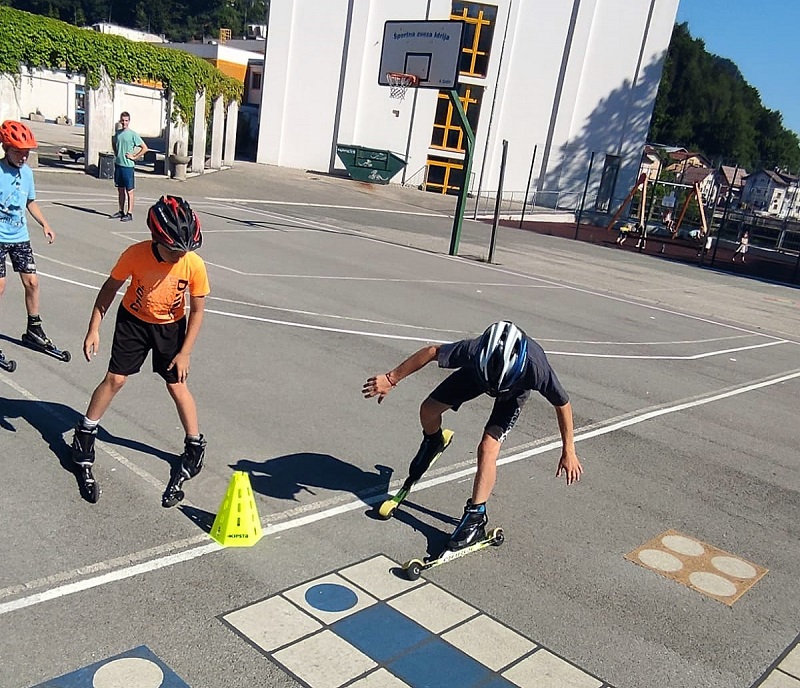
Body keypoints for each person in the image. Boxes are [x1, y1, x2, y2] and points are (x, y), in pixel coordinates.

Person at [363, 321, 582, 551]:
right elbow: (431, 352)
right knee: (428, 409)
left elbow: (563, 404)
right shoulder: (472, 351)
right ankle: (434, 440)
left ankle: (476, 517)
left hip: (514, 391)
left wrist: (568, 450)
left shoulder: (536, 369)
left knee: (488, 447)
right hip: (476, 376)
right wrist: (391, 378)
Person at [71, 195, 210, 505]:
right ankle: (85, 433)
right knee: (116, 379)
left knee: (177, 385)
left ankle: (194, 445)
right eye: (174, 250)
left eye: (184, 251)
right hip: (133, 321)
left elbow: (198, 310)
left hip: (170, 327)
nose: (180, 255)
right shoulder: (135, 255)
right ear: (156, 240)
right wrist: (94, 327)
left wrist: (185, 352)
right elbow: (109, 289)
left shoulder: (193, 264)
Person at [0, 120, 58, 356]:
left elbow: (30, 202)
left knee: (32, 282)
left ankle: (34, 328)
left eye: (27, 153)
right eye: (19, 152)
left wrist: (45, 224)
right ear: (6, 148)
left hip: (19, 236)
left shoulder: (27, 173)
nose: (24, 157)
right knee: (0, 286)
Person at [111, 112, 148, 222]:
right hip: (119, 164)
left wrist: (134, 157)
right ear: (120, 121)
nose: (124, 123)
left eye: (126, 120)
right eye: (123, 120)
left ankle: (129, 213)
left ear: (129, 121)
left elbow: (145, 148)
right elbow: (114, 142)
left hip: (128, 166)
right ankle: (121, 211)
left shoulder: (133, 134)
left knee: (129, 191)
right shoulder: (118, 133)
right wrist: (117, 153)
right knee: (120, 189)